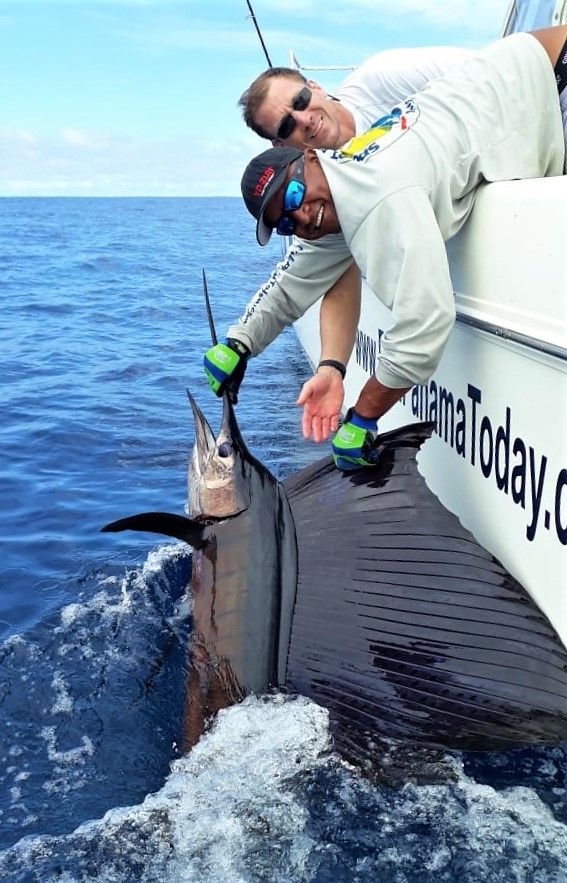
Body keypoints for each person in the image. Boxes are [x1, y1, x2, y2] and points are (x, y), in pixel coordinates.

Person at [205, 27, 567, 470]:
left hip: (551, 87)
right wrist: (240, 343)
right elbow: (291, 283)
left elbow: (425, 325)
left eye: (295, 196)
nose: (301, 217)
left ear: (311, 159)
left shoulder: (375, 198)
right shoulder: (340, 183)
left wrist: (363, 416)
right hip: (531, 76)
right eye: (285, 222)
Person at [239, 46, 473, 150]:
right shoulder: (319, 195)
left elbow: (482, 69)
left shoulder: (382, 75)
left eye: (300, 101)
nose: (304, 120)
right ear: (280, 145)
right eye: (286, 126)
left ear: (315, 87)